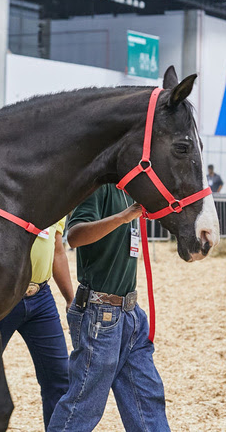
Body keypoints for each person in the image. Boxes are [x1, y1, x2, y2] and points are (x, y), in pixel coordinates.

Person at [47, 185, 168, 432]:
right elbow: (75, 235)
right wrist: (123, 217)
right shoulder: (99, 188)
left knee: (147, 397)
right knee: (84, 404)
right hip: (100, 314)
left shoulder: (134, 193)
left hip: (131, 314)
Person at [0, 219, 75, 431]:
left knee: (59, 377)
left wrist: (70, 298)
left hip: (41, 298)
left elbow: (57, 250)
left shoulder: (57, 199)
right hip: (3, 296)